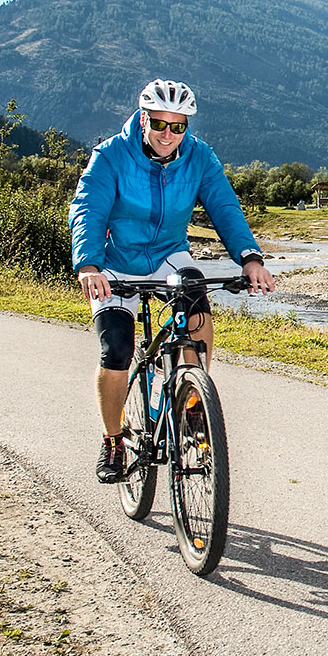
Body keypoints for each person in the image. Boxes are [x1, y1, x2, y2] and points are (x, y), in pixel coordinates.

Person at [70, 79, 275, 484]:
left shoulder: (199, 158)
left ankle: (193, 400)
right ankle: (112, 440)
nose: (168, 135)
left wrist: (250, 257)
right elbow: (88, 208)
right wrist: (88, 265)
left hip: (168, 254)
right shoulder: (111, 155)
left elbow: (224, 206)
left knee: (196, 305)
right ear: (143, 118)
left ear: (187, 126)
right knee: (117, 349)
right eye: (160, 124)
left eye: (178, 126)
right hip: (114, 260)